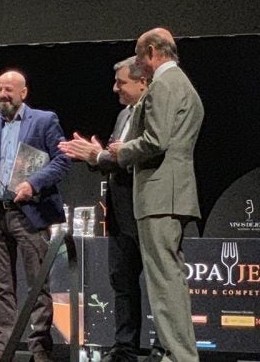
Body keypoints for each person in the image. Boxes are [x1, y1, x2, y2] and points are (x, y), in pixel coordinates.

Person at [106, 29, 201, 362]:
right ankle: (180, 355)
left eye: (138, 56)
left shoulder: (163, 84)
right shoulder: (183, 84)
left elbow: (155, 140)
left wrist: (119, 151)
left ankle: (179, 356)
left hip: (161, 194)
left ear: (150, 51)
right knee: (169, 282)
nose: (138, 66)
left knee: (164, 285)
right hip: (173, 192)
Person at [0, 71, 70, 362]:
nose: (3, 95)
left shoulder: (44, 120)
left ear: (23, 93)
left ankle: (40, 351)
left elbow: (63, 160)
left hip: (31, 214)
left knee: (38, 285)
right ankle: (3, 350)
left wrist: (33, 183)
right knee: (2, 286)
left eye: (9, 90)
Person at [59, 56, 148, 362]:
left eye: (121, 82)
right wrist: (94, 157)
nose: (115, 88)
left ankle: (163, 348)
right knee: (121, 281)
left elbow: (139, 155)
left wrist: (99, 156)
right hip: (120, 212)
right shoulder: (124, 114)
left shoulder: (151, 112)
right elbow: (114, 157)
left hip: (147, 210)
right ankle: (125, 349)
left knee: (157, 284)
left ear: (142, 83)